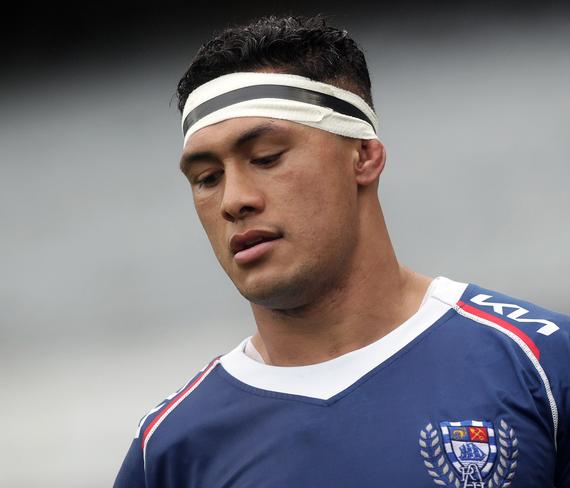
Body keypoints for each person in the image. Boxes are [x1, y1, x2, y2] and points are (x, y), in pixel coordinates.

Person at [114, 15, 569, 488]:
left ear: (365, 157)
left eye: (267, 158)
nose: (233, 201)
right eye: (207, 179)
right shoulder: (170, 452)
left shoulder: (542, 366)